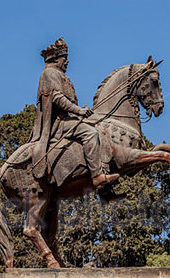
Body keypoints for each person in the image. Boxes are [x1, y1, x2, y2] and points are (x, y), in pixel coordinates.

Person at [30, 38, 119, 191]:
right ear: (56, 59)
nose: (68, 61)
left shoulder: (59, 74)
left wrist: (81, 111)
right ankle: (98, 176)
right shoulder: (50, 73)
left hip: (68, 119)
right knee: (90, 133)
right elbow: (57, 98)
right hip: (58, 124)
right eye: (65, 58)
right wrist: (79, 111)